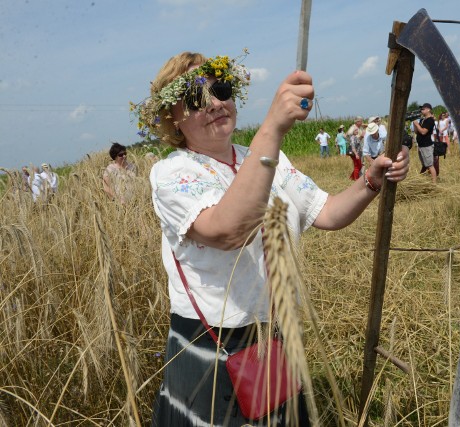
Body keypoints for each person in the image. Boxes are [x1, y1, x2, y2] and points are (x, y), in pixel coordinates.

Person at [133, 51, 409, 426]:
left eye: (222, 89)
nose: (215, 102)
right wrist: (273, 128)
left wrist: (371, 181)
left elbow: (325, 211)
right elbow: (228, 229)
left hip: (271, 333)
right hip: (213, 338)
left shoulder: (266, 158)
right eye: (197, 98)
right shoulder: (172, 173)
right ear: (174, 118)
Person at [412, 103, 437, 183]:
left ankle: (434, 184)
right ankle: (424, 180)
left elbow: (423, 132)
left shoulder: (430, 120)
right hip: (421, 146)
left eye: (423, 109)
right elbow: (417, 131)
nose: (421, 110)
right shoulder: (423, 120)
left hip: (426, 146)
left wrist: (416, 124)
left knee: (430, 165)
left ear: (428, 109)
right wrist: (415, 125)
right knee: (424, 165)